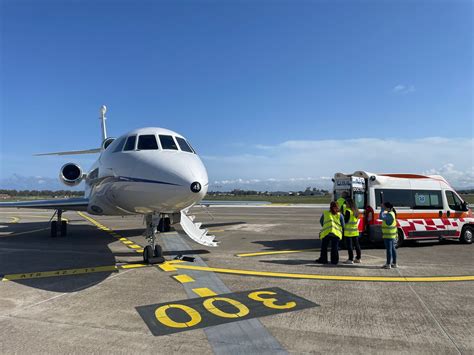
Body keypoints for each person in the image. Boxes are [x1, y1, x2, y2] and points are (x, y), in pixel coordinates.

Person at [316, 201, 344, 265]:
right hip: (336, 233)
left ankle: (323, 259)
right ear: (337, 207)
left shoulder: (325, 213)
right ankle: (334, 261)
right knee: (335, 248)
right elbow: (343, 224)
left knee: (324, 247)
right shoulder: (340, 215)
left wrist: (326, 226)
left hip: (326, 233)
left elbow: (321, 221)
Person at [380, 202, 398, 269]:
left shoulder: (389, 215)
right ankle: (394, 263)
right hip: (391, 234)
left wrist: (382, 209)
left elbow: (381, 217)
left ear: (387, 208)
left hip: (389, 235)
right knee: (392, 249)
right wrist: (384, 209)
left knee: (389, 249)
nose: (383, 208)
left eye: (384, 207)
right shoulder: (391, 213)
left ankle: (388, 264)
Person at [343, 198, 361, 264]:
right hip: (355, 230)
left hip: (348, 231)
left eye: (346, 203)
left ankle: (350, 259)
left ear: (349, 203)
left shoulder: (348, 211)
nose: (345, 204)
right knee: (357, 245)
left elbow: (346, 221)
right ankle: (358, 258)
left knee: (350, 246)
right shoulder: (356, 211)